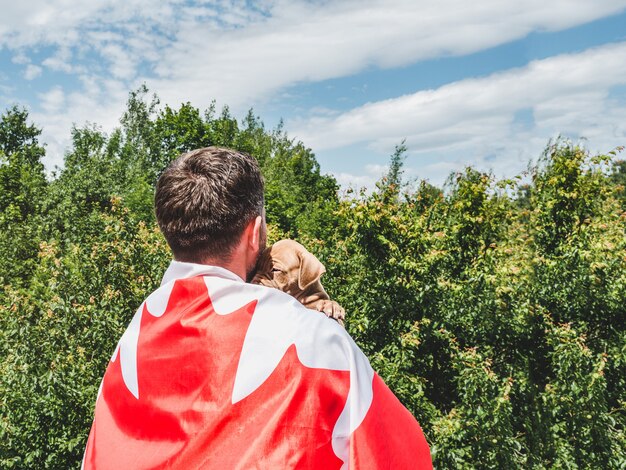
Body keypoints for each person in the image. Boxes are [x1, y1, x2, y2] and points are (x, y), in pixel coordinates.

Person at [82, 146, 432, 469]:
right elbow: (401, 455)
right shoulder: (314, 340)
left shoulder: (125, 349)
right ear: (255, 232)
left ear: (169, 231)